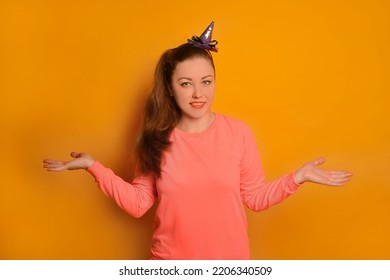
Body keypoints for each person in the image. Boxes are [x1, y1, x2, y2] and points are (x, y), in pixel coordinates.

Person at [43, 22, 352, 260]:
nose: (198, 94)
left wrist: (299, 176)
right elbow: (139, 204)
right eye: (186, 83)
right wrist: (94, 167)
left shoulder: (238, 133)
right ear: (171, 87)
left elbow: (255, 197)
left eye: (206, 82)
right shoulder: (156, 140)